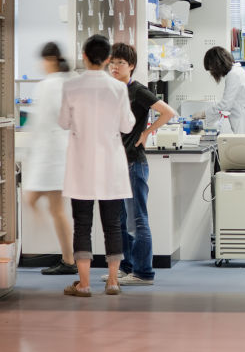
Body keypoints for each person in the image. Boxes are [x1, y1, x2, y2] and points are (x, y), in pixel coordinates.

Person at [58, 35, 135, 297]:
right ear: (108, 59)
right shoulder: (118, 88)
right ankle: (112, 281)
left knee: (82, 224)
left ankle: (84, 284)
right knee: (113, 225)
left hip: (81, 165)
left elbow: (63, 122)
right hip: (111, 164)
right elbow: (127, 125)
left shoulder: (71, 86)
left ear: (84, 55)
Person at [107, 43, 176, 286]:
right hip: (116, 163)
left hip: (134, 163)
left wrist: (147, 132)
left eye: (120, 63)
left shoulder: (137, 90)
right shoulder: (113, 91)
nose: (115, 67)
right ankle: (127, 268)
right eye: (112, 63)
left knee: (137, 220)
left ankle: (144, 272)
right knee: (120, 221)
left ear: (131, 66)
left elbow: (168, 112)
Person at [23, 43, 76, 275]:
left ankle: (40, 244)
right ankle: (68, 259)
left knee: (32, 199)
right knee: (56, 209)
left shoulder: (49, 85)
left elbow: (41, 121)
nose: (41, 65)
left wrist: (30, 147)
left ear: (51, 60)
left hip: (51, 155)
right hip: (58, 153)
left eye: (43, 60)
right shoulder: (66, 82)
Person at [194, 46, 245, 134]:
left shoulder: (234, 75)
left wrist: (204, 114)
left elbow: (225, 105)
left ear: (217, 64)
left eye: (211, 69)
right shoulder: (238, 71)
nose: (212, 73)